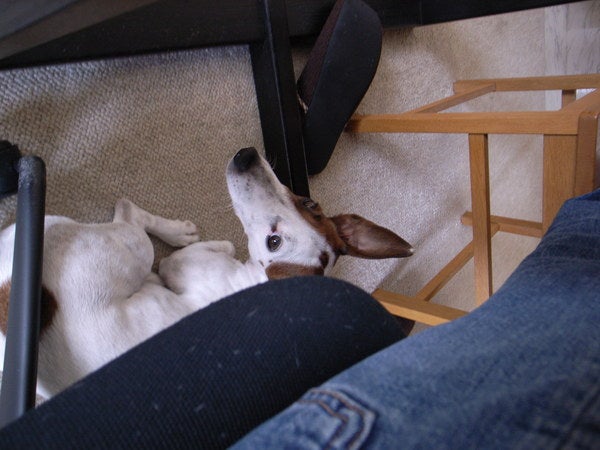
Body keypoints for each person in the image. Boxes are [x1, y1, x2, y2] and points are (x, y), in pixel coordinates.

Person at [0, 191, 598, 448]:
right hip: (46, 372)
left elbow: (181, 266)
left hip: (43, 282)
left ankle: (130, 218)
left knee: (343, 318)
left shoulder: (248, 286)